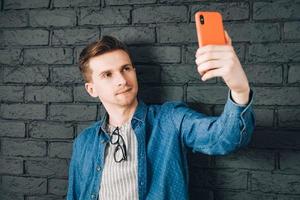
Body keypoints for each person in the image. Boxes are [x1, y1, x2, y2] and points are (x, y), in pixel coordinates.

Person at [66, 33, 255, 200]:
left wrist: (239, 89)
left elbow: (225, 138)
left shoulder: (169, 120)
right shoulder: (84, 141)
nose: (122, 80)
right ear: (91, 89)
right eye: (107, 74)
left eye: (126, 68)